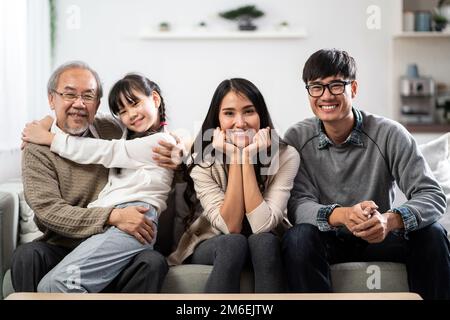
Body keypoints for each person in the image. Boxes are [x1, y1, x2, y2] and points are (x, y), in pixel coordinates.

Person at [282, 48, 450, 299]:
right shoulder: (297, 138)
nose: (326, 96)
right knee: (298, 238)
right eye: (316, 87)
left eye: (336, 85)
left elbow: (432, 195)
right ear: (308, 92)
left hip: (380, 237)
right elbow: (297, 205)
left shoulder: (389, 133)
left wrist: (390, 220)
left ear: (354, 89)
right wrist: (344, 215)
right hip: (328, 239)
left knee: (433, 234)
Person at [12, 62, 179, 293]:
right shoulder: (37, 147)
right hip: (67, 241)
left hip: (121, 229)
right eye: (69, 94)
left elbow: (110, 148)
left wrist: (181, 151)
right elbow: (48, 210)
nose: (79, 104)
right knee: (28, 255)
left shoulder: (112, 130)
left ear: (97, 104)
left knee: (151, 262)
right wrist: (112, 215)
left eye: (88, 96)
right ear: (52, 100)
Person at [168, 78, 300, 293]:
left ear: (261, 116)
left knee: (264, 241)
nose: (240, 122)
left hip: (268, 243)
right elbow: (231, 228)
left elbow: (262, 225)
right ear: (218, 120)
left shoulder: (285, 155)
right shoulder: (203, 162)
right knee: (234, 242)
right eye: (229, 113)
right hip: (215, 242)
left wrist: (245, 156)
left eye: (249, 111)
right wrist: (234, 157)